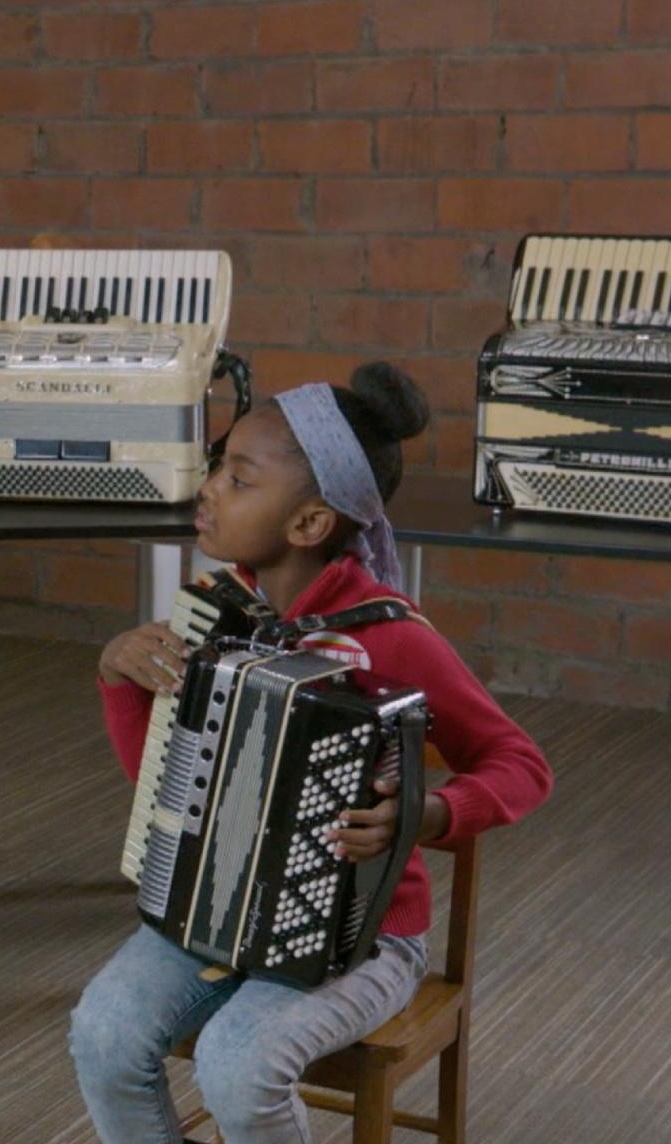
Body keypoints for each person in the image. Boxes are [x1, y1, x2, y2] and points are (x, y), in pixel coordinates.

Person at [68, 362, 553, 1144]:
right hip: (213, 912)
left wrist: (427, 814)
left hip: (366, 940)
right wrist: (117, 676)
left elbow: (521, 765)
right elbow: (156, 785)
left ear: (308, 524)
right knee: (102, 1035)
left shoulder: (391, 636)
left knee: (237, 1065)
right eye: (220, 467)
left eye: (238, 478)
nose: (210, 487)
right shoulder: (214, 615)